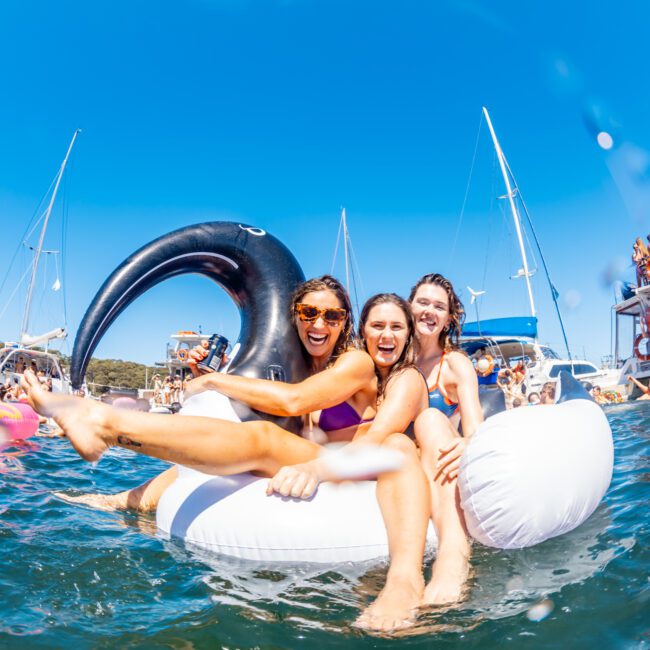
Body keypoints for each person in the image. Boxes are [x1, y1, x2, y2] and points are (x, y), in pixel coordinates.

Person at [38, 277, 431, 631]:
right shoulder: (305, 367)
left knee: (260, 438)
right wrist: (209, 378)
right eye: (309, 312)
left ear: (346, 323)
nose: (319, 323)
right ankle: (124, 497)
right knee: (228, 445)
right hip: (326, 456)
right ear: (293, 316)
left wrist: (215, 378)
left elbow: (294, 403)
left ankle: (106, 427)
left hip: (357, 468)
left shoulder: (356, 362)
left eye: (332, 315)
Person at [408, 273, 484, 606]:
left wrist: (469, 443)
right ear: (410, 306)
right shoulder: (395, 357)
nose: (429, 311)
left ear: (448, 318)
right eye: (422, 302)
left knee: (429, 418)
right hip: (405, 464)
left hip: (441, 456)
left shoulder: (454, 364)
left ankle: (454, 553)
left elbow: (475, 429)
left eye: (438, 306)